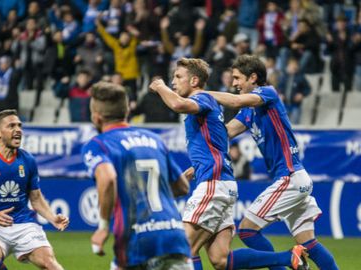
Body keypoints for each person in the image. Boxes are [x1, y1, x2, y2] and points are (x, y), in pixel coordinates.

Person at [150, 57, 309, 270]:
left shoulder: (202, 99)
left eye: (178, 77)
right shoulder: (204, 107)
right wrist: (197, 167)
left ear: (195, 81)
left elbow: (177, 104)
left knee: (182, 250)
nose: (173, 82)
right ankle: (287, 258)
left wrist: (159, 86)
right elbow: (219, 138)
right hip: (221, 183)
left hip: (213, 184)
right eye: (172, 78)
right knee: (220, 260)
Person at [207, 54, 339, 270]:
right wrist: (203, 119)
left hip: (290, 177)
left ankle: (286, 262)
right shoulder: (248, 112)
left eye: (238, 78)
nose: (234, 83)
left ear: (253, 78)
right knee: (308, 243)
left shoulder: (268, 93)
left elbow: (235, 100)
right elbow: (226, 132)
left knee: (247, 230)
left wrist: (201, 94)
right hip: (295, 179)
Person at [82, 82, 192, 269]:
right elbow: (182, 187)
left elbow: (107, 178)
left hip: (137, 239)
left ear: (97, 117)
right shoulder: (154, 139)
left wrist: (103, 227)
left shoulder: (98, 144)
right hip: (173, 235)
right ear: (126, 112)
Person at [0, 109, 69, 270]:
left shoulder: (28, 160)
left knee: (51, 264)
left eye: (19, 126)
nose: (18, 130)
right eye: (11, 126)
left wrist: (52, 218)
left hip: (24, 224)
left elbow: (35, 198)